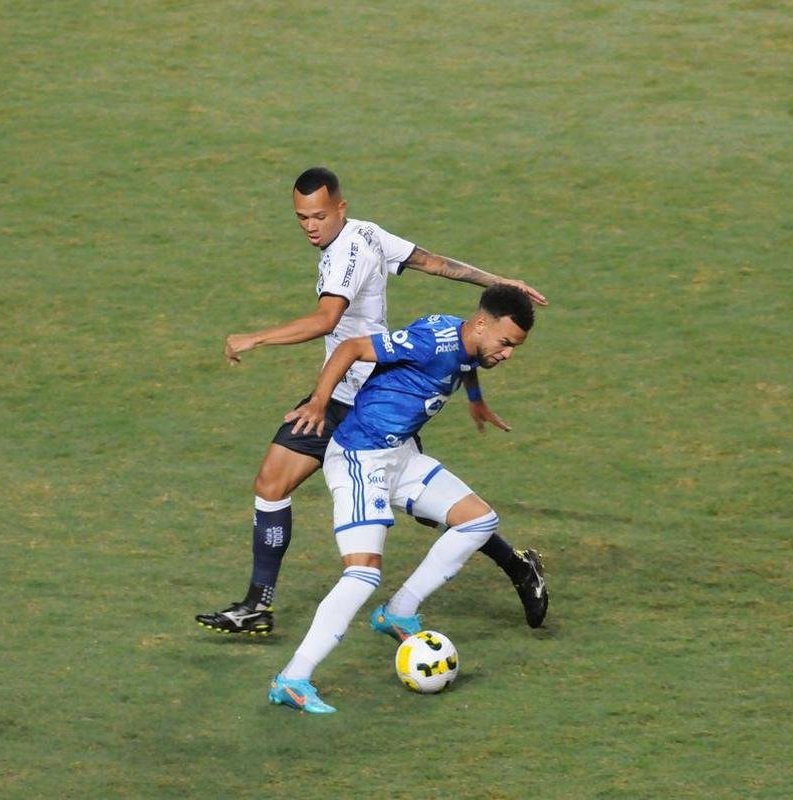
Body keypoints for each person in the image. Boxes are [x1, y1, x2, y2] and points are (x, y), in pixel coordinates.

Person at [195, 168, 549, 638]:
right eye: (302, 217)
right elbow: (435, 263)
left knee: (429, 509)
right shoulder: (369, 232)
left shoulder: (351, 249)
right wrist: (500, 281)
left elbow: (327, 320)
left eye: (320, 215)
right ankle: (258, 604)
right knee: (271, 483)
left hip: (369, 400)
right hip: (338, 391)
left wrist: (254, 338)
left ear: (340, 207)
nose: (311, 226)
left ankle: (517, 565)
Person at [269, 285, 535, 714]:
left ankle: (398, 612)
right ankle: (293, 679)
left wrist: (476, 401)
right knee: (361, 577)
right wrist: (319, 404)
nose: (507, 354)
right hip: (361, 458)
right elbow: (352, 348)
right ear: (483, 324)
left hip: (401, 457)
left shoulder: (464, 336)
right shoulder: (432, 341)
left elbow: (466, 362)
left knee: (479, 520)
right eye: (505, 344)